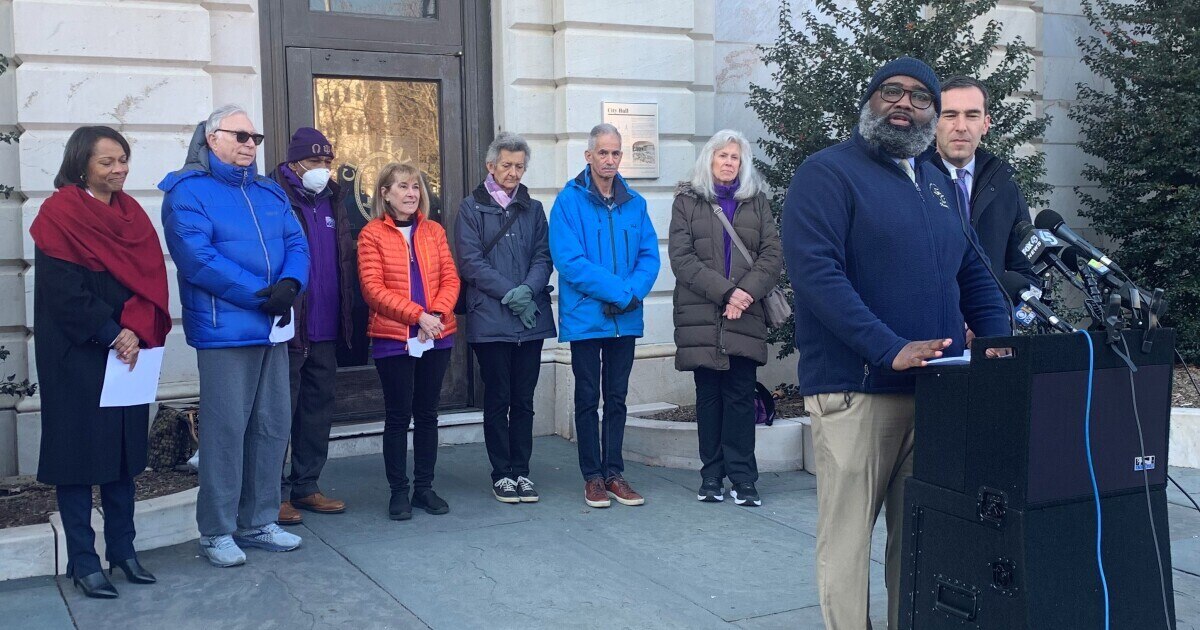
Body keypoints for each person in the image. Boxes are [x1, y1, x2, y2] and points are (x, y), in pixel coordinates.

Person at [781, 58, 1011, 628]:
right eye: (891, 92)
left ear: (931, 116)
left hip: (932, 393)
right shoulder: (828, 173)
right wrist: (887, 347)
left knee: (917, 543)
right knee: (847, 544)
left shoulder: (936, 185)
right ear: (870, 102)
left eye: (919, 96)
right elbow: (816, 274)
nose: (904, 104)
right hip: (857, 394)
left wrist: (1003, 350)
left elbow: (974, 274)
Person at [160, 104, 310, 567]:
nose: (249, 144)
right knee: (225, 433)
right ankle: (217, 531)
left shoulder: (268, 192)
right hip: (226, 331)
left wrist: (290, 284)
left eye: (255, 138)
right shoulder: (187, 192)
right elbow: (197, 257)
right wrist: (259, 294)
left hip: (272, 327)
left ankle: (260, 519)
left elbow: (296, 243)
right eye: (240, 136)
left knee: (271, 427)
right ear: (212, 138)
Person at [31, 126, 172, 598]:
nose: (119, 169)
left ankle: (124, 552)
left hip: (129, 352)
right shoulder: (60, 213)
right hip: (78, 356)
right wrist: (113, 333)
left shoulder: (134, 215)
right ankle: (83, 561)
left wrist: (133, 331)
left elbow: (151, 280)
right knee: (77, 460)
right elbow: (63, 293)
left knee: (123, 458)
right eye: (107, 161)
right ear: (81, 164)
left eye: (123, 160)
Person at [668, 129, 783, 507]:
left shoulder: (758, 203)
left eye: (735, 157)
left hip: (745, 314)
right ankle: (711, 476)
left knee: (739, 396)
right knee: (709, 397)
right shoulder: (686, 202)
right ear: (709, 160)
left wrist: (745, 293)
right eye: (722, 156)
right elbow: (682, 260)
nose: (729, 163)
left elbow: (772, 255)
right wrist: (727, 292)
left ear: (743, 163)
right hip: (702, 314)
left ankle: (744, 478)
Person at [549, 123, 660, 509]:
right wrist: (619, 292)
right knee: (586, 397)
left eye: (615, 153)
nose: (609, 160)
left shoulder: (636, 203)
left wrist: (630, 294)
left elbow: (649, 256)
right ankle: (592, 477)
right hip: (586, 317)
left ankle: (614, 473)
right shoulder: (568, 201)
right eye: (603, 153)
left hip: (623, 318)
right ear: (589, 155)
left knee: (617, 398)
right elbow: (569, 261)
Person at [455, 132, 556, 503]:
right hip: (491, 319)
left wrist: (528, 291)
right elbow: (470, 261)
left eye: (519, 166)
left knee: (524, 399)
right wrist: (510, 294)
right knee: (498, 397)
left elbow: (543, 257)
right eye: (507, 165)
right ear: (491, 166)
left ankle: (522, 471)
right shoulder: (470, 208)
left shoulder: (533, 208)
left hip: (530, 320)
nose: (513, 172)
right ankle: (502, 472)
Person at [358, 162, 459, 521]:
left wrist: (435, 316)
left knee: (428, 414)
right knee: (399, 416)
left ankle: (424, 489)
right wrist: (417, 316)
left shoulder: (433, 231)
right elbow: (372, 288)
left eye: (416, 187)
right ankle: (398, 492)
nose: (411, 194)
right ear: (384, 193)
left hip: (435, 336)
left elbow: (450, 278)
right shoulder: (372, 234)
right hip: (393, 338)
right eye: (402, 186)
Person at [269, 128, 355, 525]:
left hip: (325, 326)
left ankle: (306, 486)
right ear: (294, 162)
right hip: (288, 328)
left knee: (317, 411)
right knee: (277, 414)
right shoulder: (273, 196)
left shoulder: (334, 200)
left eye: (328, 162)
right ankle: (271, 494)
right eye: (315, 161)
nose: (322, 169)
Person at [931, 75, 1036, 284]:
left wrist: (1004, 315)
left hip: (992, 316)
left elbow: (1025, 272)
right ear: (933, 123)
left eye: (972, 115)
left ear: (985, 124)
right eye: (950, 115)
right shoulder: (911, 182)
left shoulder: (1005, 188)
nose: (961, 126)